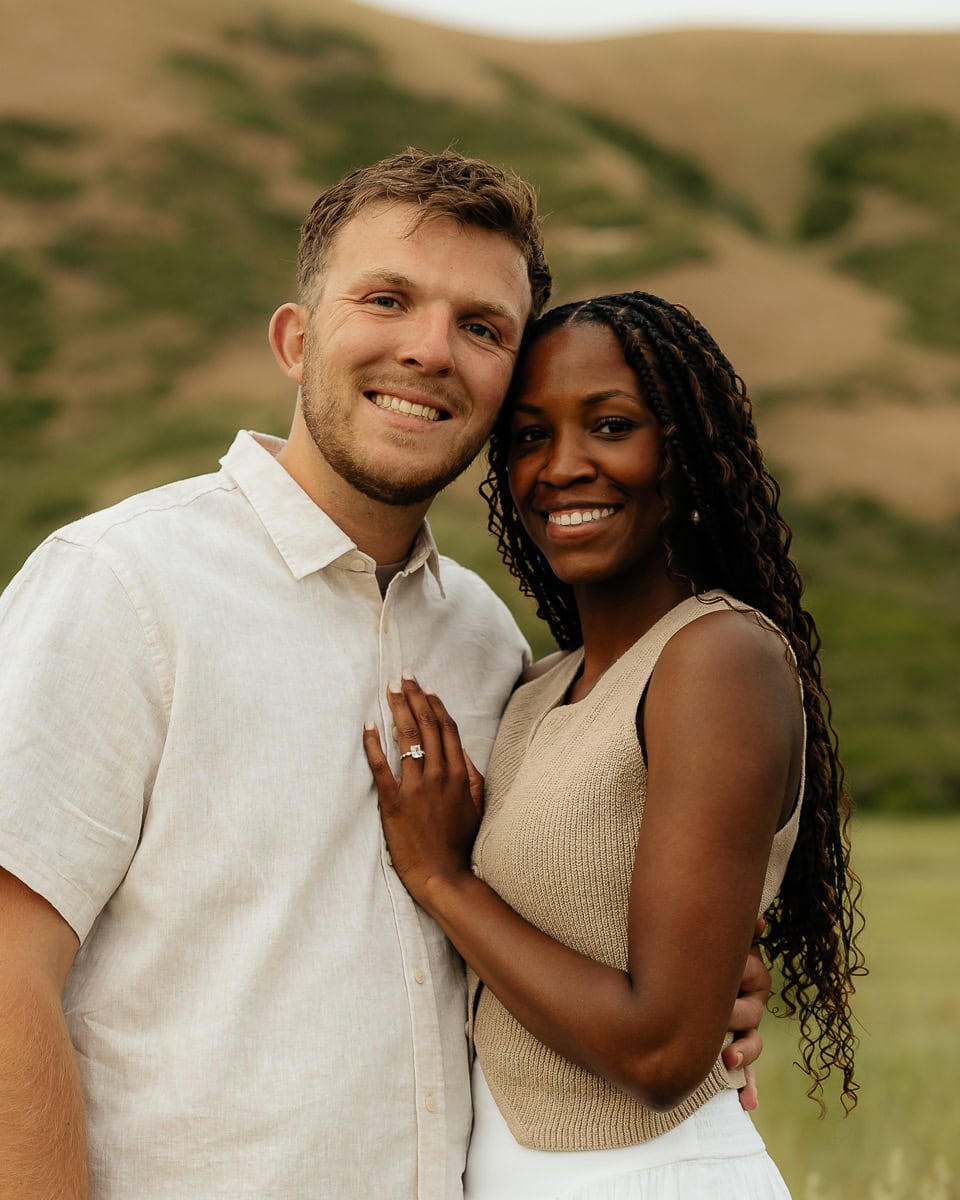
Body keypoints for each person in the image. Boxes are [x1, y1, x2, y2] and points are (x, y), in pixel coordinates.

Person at [0, 152, 767, 1200]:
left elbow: (560, 926)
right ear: (295, 338)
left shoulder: (491, 646)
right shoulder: (122, 586)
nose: (429, 351)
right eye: (388, 300)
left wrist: (708, 987)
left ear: (506, 388)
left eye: (483, 327)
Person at [365, 290, 865, 1199]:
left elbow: (663, 1049)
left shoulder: (717, 656)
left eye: (612, 425)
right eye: (527, 435)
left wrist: (443, 878)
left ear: (688, 451)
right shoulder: (540, 686)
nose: (562, 467)